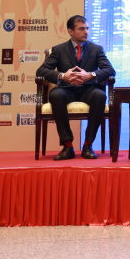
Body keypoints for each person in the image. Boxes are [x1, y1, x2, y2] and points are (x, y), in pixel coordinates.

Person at [36, 15, 115, 160]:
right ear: (71, 31)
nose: (86, 32)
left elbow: (110, 70)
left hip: (88, 89)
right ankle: (67, 145)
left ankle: (88, 145)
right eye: (81, 29)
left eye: (87, 28)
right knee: (55, 95)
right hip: (67, 89)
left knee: (100, 96)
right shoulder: (58, 50)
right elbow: (41, 71)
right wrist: (62, 76)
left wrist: (90, 75)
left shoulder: (96, 49)